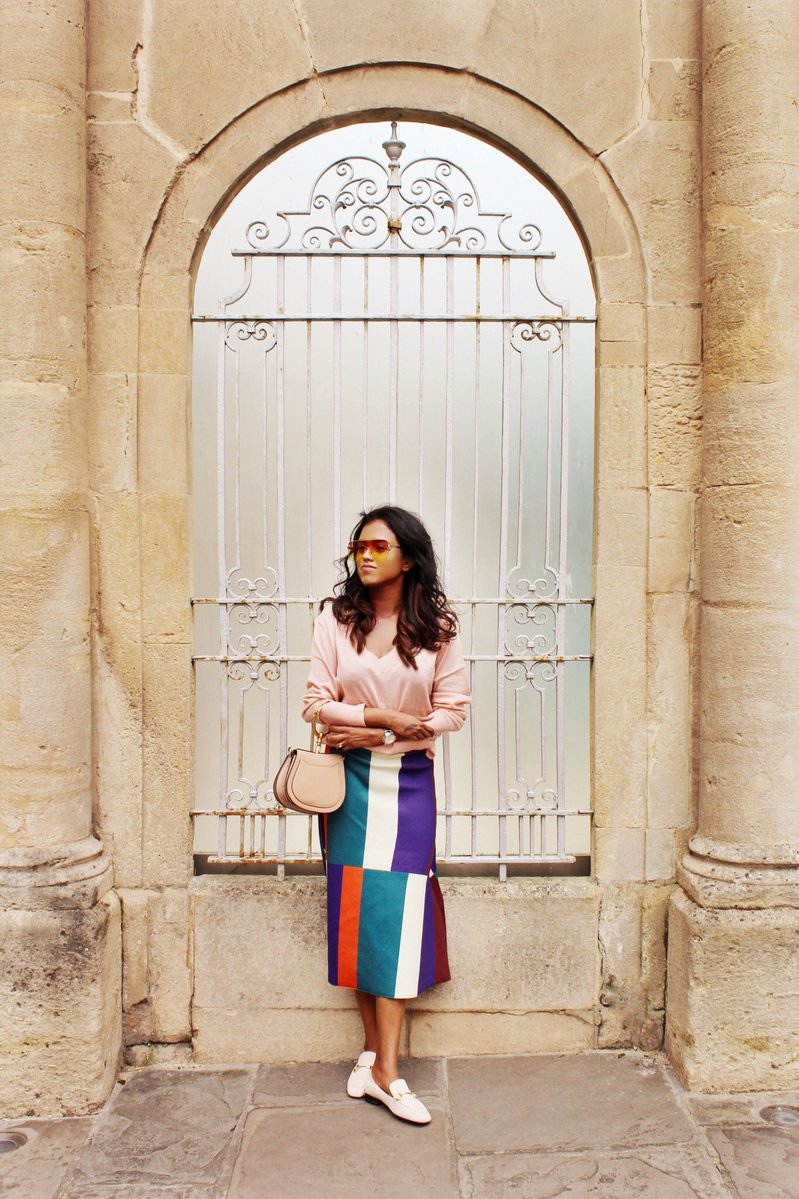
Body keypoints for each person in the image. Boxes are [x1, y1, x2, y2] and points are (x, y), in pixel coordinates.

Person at [302, 505, 470, 1125]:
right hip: (346, 788)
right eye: (358, 547)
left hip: (409, 785)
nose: (365, 556)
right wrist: (382, 719)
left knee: (396, 915)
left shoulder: (439, 628)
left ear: (408, 556)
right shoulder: (335, 620)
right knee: (354, 910)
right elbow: (316, 706)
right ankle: (372, 1054)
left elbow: (451, 711)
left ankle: (387, 1073)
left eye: (378, 546)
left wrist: (382, 736)